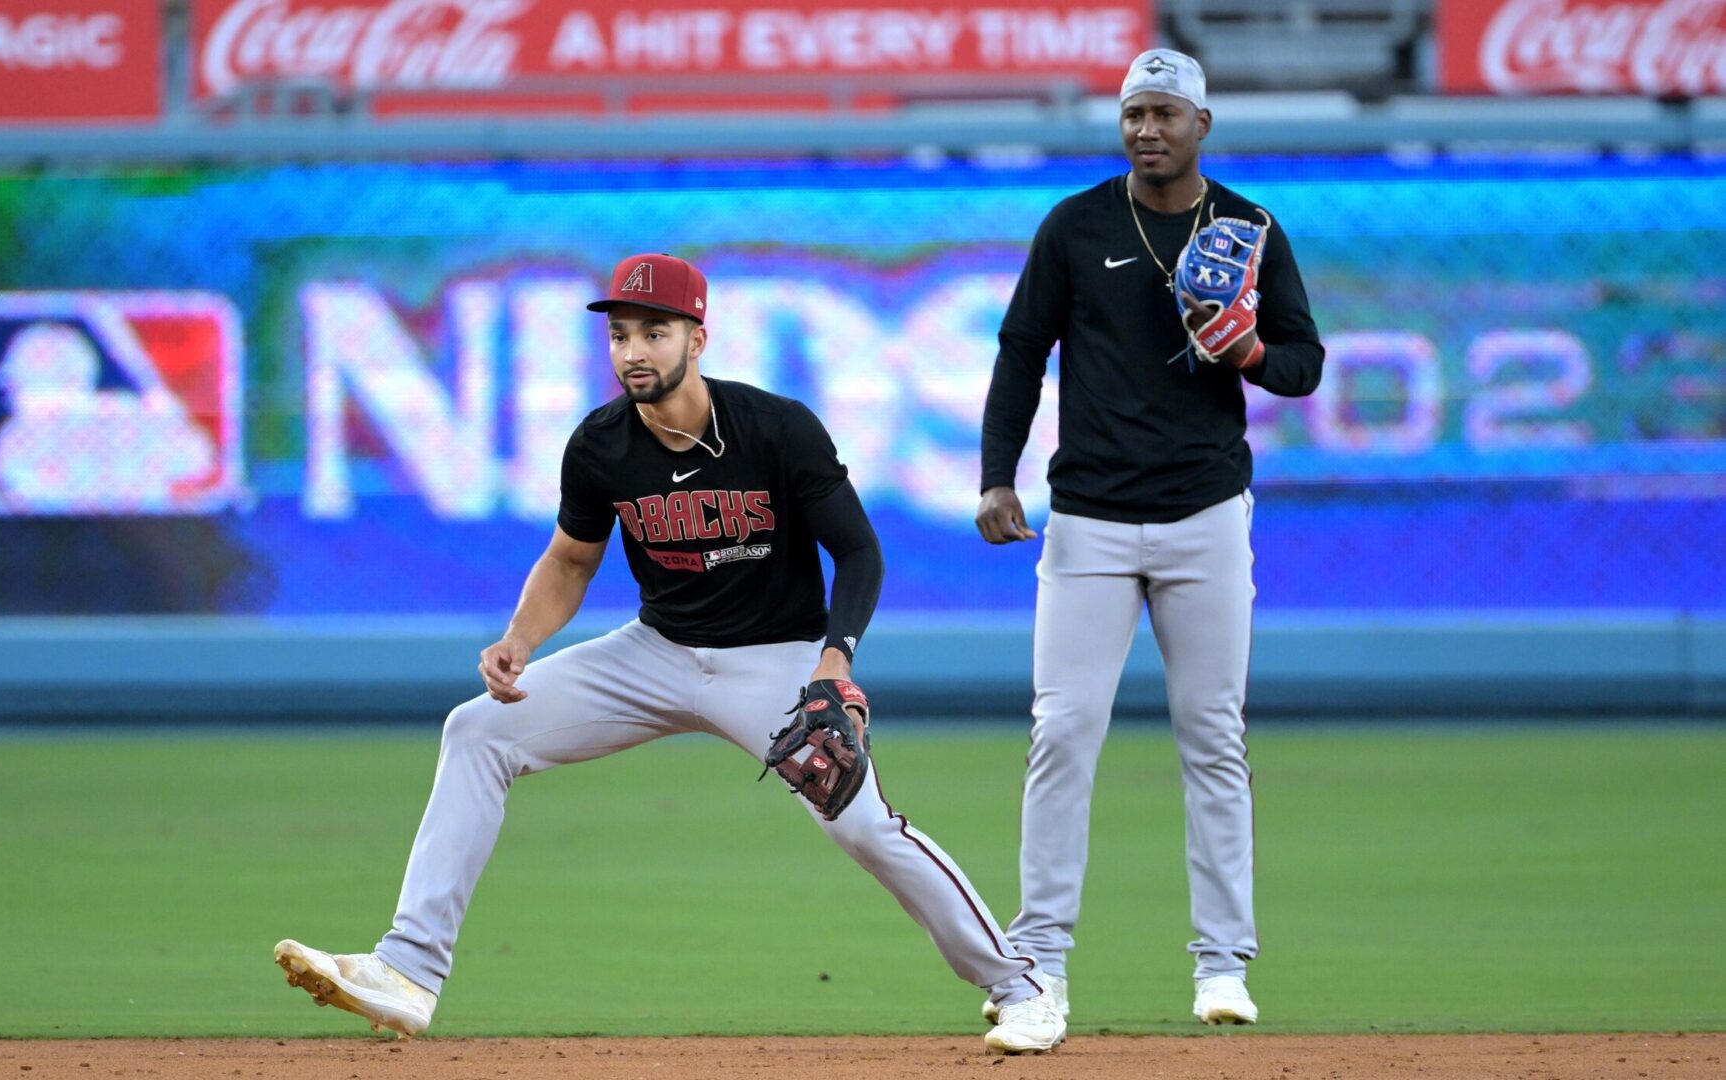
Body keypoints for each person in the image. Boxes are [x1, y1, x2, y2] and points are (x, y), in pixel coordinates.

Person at [275, 253, 1067, 1055]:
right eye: (621, 334)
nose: (634, 351)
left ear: (699, 337)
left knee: (861, 827)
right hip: (654, 655)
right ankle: (407, 971)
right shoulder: (601, 444)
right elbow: (571, 558)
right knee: (477, 730)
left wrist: (835, 662)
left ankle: (1019, 985)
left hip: (777, 660)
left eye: (656, 331)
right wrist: (520, 640)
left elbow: (859, 555)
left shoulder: (776, 428)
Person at [975, 50, 1325, 1027]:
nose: (1145, 129)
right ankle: (1037, 968)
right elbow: (1019, 352)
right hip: (1087, 517)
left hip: (1204, 514)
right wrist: (996, 477)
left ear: (1200, 125)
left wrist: (1250, 350)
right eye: (1133, 112)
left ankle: (1222, 967)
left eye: (1164, 112)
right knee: (1061, 733)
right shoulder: (1078, 225)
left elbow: (1304, 363)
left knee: (1211, 736)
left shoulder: (1248, 229)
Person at [0, 321, 213, 508]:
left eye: (20, 382)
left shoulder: (127, 414)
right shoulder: (14, 441)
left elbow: (199, 463)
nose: (11, 393)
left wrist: (171, 422)